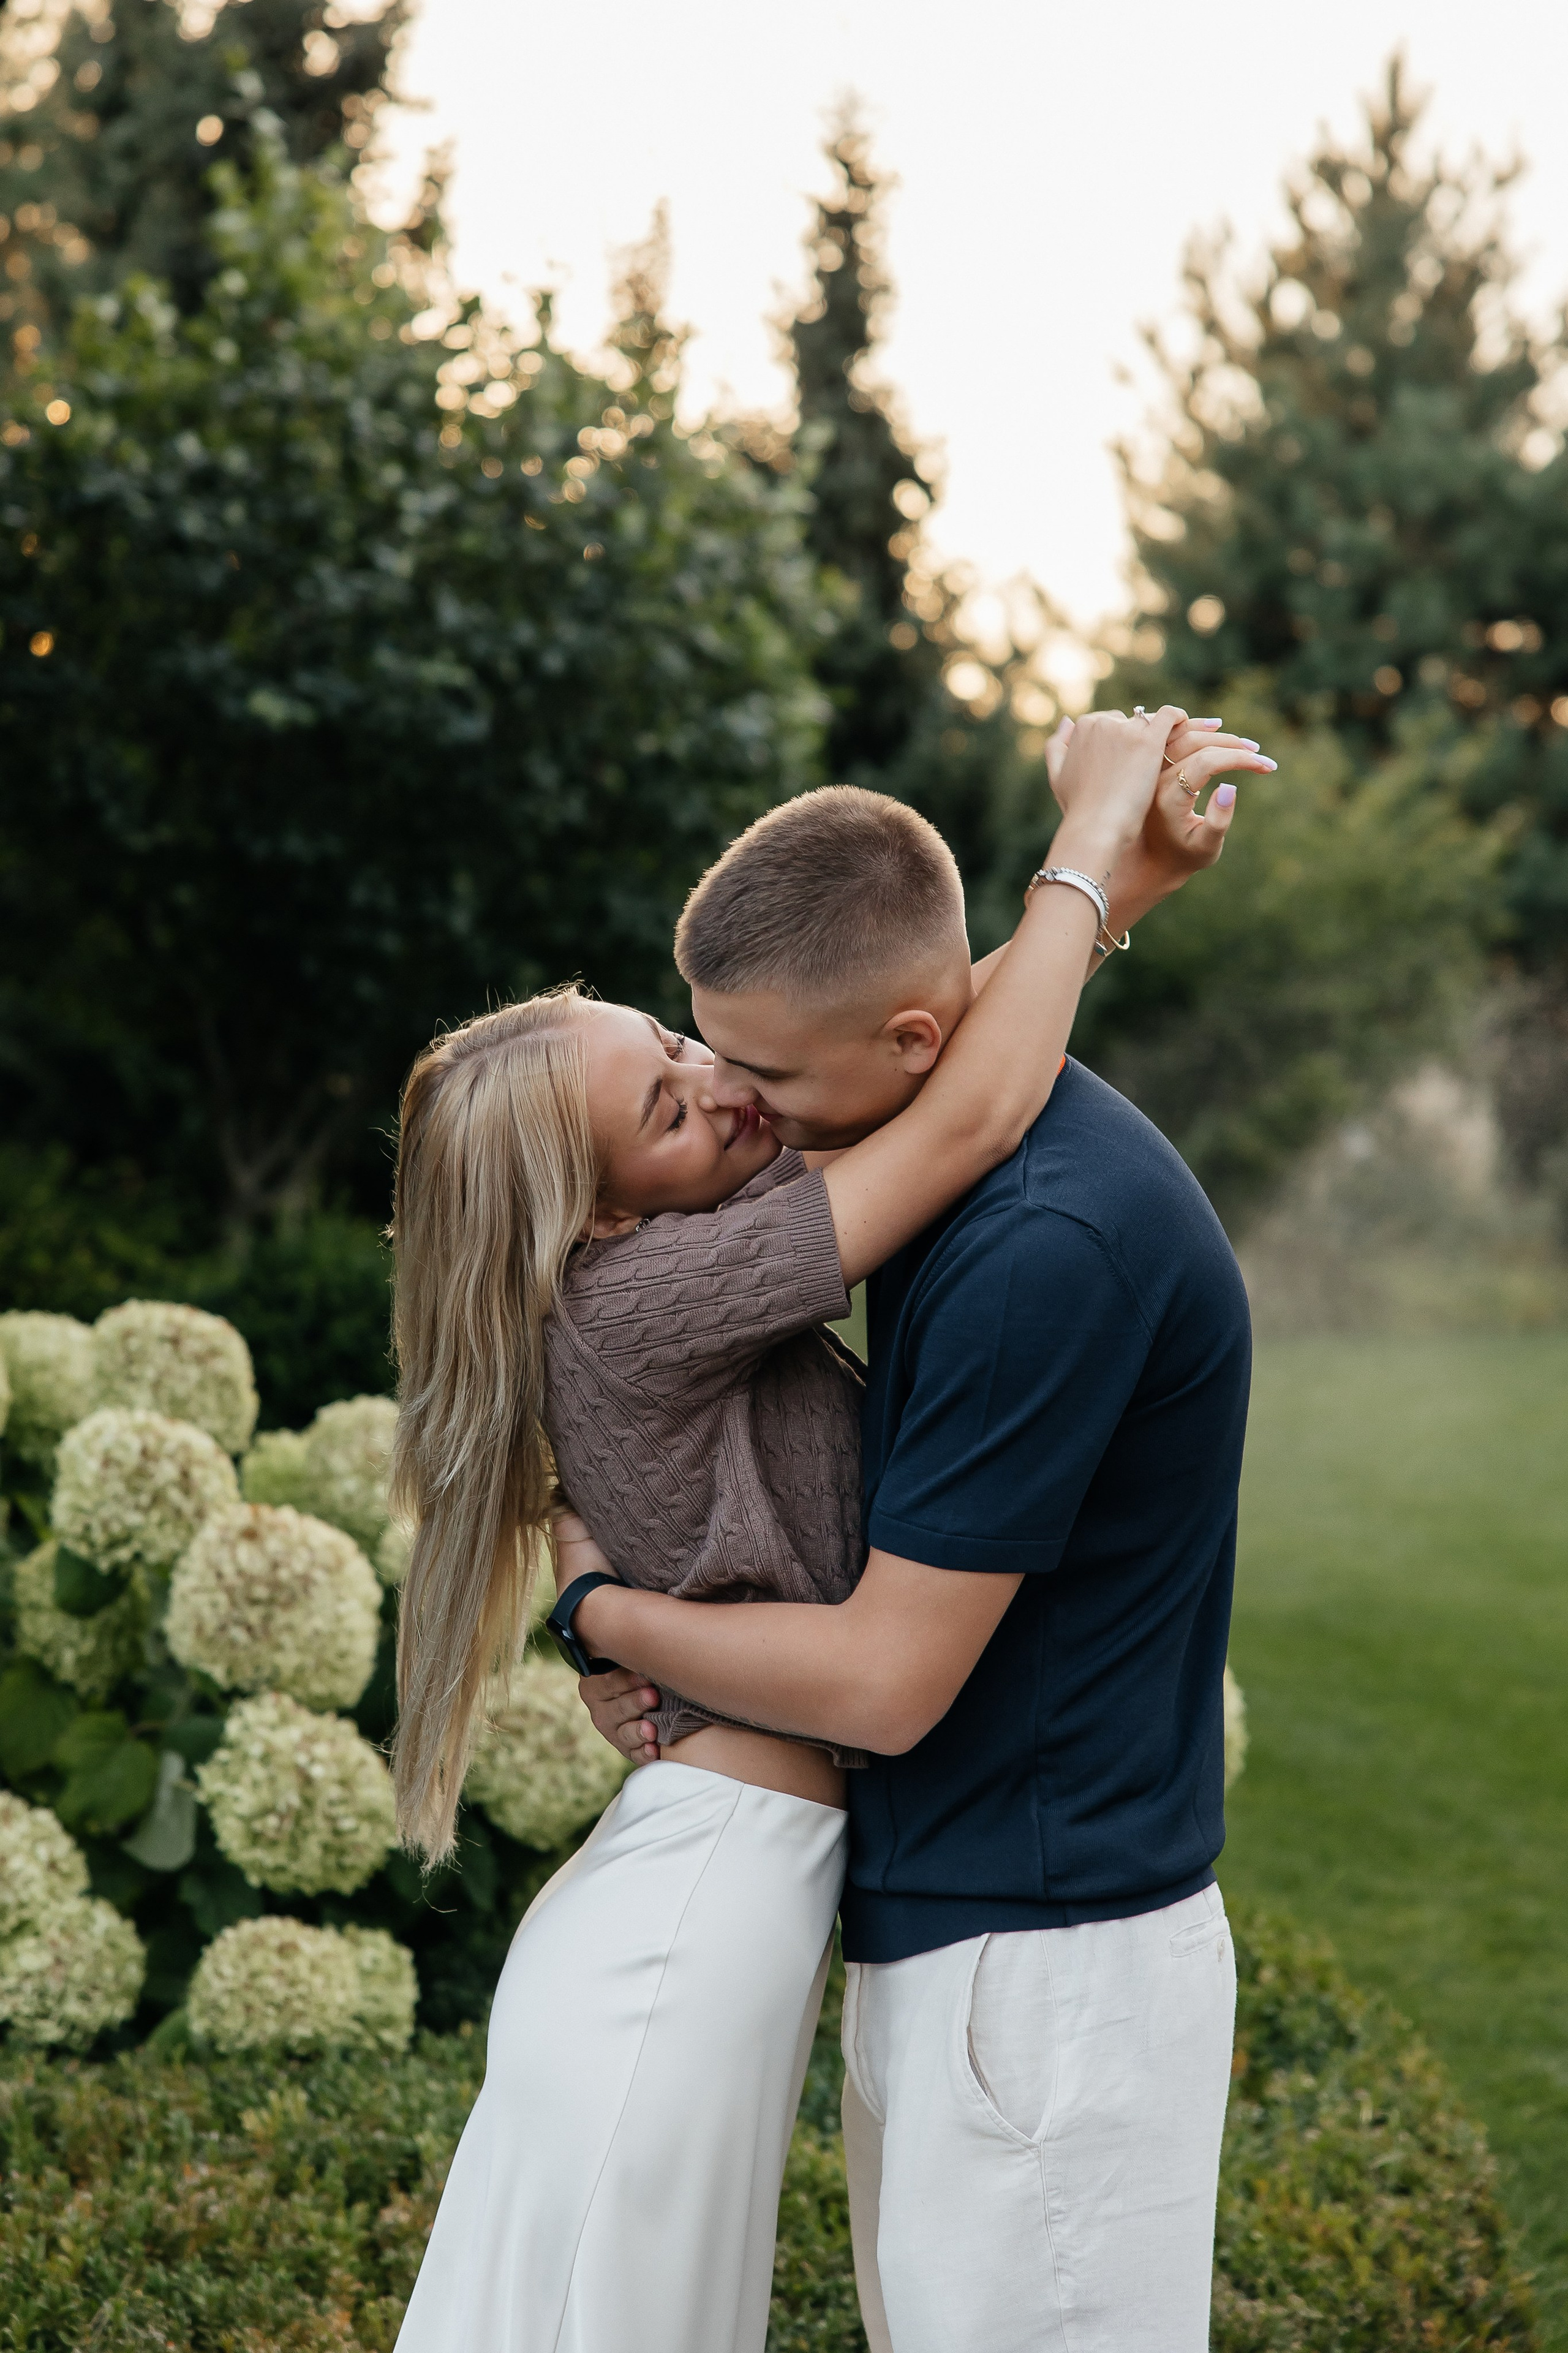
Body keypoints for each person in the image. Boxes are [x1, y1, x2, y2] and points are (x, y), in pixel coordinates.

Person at [389, 706, 1268, 2353]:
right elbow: (958, 1096)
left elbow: (956, 1082)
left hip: (838, 1906)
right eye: (677, 1095)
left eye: (713, 1055)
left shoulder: (982, 1223)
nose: (732, 1094)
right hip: (712, 1905)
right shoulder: (662, 1287)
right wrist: (1084, 863)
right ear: (602, 1218)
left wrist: (607, 1616)